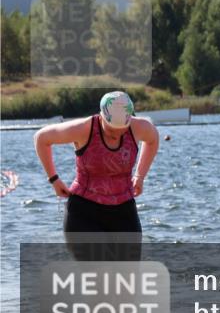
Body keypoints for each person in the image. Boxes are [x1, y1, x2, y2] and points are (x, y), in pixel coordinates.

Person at [33, 91, 159, 258]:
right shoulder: (84, 129)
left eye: (122, 130)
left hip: (123, 209)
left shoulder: (139, 127)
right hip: (84, 212)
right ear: (102, 117)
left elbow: (153, 139)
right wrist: (54, 179)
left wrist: (140, 176)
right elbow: (41, 138)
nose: (117, 134)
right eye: (112, 129)